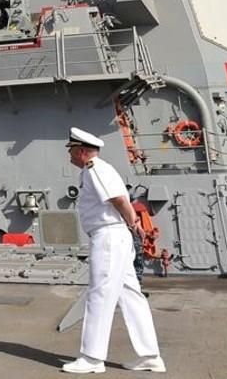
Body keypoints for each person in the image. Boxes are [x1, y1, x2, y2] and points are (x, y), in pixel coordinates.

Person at [62, 127, 165, 374]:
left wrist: (134, 225)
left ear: (83, 152)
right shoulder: (96, 170)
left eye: (72, 151)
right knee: (130, 295)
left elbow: (119, 199)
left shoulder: (95, 169)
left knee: (100, 294)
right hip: (115, 237)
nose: (70, 156)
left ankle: (92, 358)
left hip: (108, 237)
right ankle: (150, 355)